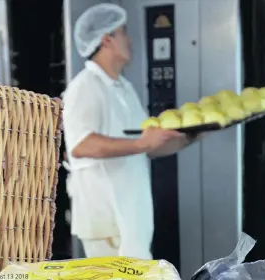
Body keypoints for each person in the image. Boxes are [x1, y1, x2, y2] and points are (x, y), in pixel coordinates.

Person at [63, 3, 200, 260]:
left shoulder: (124, 88)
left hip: (131, 218)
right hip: (106, 223)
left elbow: (148, 145)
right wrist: (141, 145)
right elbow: (81, 144)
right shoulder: (85, 87)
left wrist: (191, 136)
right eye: (123, 32)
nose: (130, 40)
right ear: (106, 40)